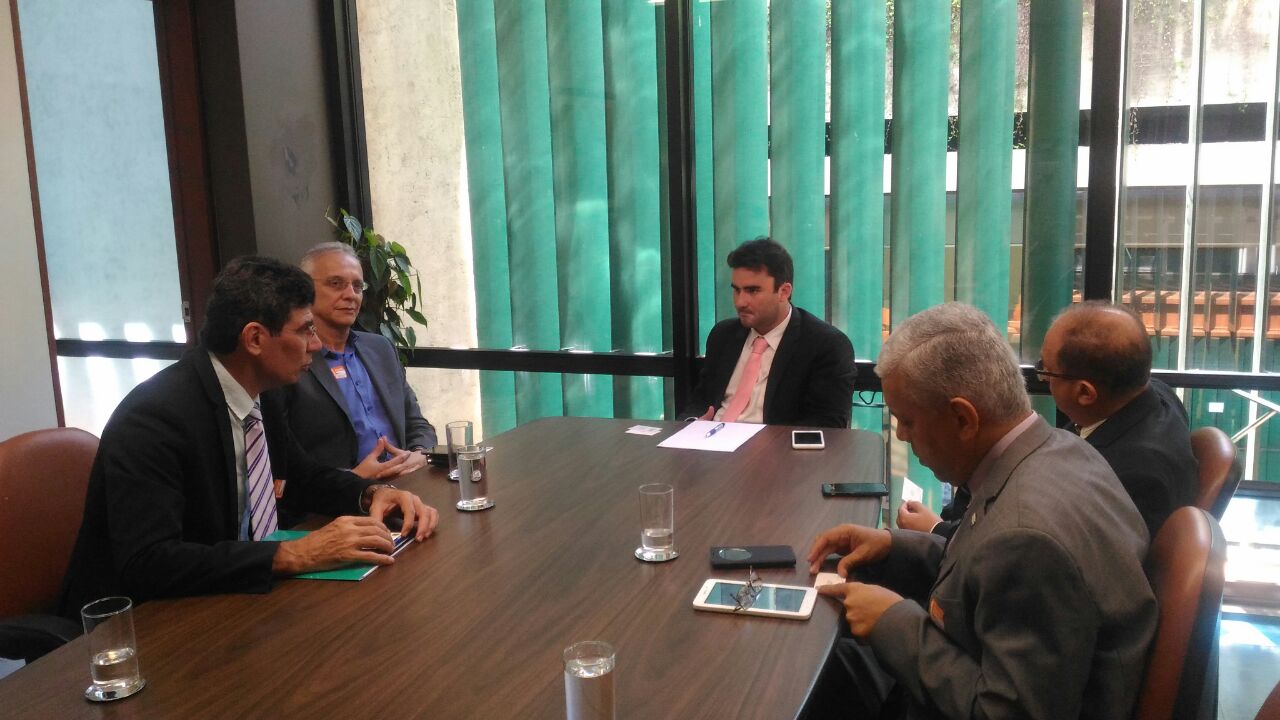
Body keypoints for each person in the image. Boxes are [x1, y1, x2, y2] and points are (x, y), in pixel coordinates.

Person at [807, 302, 1156, 719]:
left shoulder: (1027, 540)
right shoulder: (1062, 448)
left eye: (908, 421)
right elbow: (986, 565)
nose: (901, 436)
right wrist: (894, 546)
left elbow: (1007, 713)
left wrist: (892, 622)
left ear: (963, 418)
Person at [59, 257, 439, 617]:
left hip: (234, 598)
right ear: (255, 338)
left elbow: (303, 477)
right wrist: (294, 554)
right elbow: (148, 563)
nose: (316, 344)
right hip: (140, 625)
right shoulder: (154, 420)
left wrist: (371, 494)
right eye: (304, 330)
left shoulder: (262, 392)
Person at [899, 301, 1197, 541]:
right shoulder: (1155, 395)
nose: (1041, 376)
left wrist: (937, 530)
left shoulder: (1126, 474)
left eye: (1045, 370)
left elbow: (1037, 546)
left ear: (1085, 393)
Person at [268, 242, 436, 481]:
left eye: (357, 286)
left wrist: (420, 453)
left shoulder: (381, 348)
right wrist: (353, 479)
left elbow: (416, 423)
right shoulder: (289, 361)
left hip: (407, 481)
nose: (350, 295)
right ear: (304, 290)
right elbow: (283, 463)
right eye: (336, 284)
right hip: (339, 497)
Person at [683, 237, 856, 428]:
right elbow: (700, 400)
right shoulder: (723, 335)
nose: (740, 302)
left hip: (775, 444)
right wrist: (693, 424)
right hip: (710, 440)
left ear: (784, 291)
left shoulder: (825, 345)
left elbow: (827, 423)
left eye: (752, 291)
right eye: (737, 290)